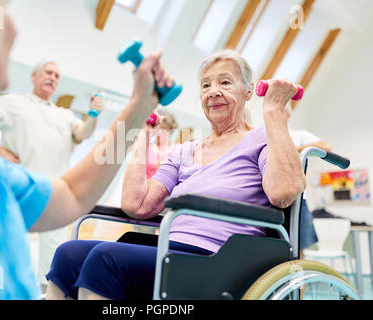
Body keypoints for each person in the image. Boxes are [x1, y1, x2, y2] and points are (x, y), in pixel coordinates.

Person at [0, 0, 175, 299]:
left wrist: (140, 106)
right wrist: (0, 150)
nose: (15, 31)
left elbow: (71, 193)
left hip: (48, 181)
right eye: (4, 13)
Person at [45, 49, 307, 300]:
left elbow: (284, 193)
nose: (213, 92)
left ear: (249, 91)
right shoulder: (185, 151)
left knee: (106, 259)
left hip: (220, 259)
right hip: (171, 250)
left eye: (225, 82)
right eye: (205, 85)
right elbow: (137, 204)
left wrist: (273, 113)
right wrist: (142, 140)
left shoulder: (260, 139)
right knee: (68, 254)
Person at [0, 60, 105, 292]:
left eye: (57, 75)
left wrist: (93, 114)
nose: (53, 77)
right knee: (12, 253)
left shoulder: (64, 114)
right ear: (34, 76)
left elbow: (82, 133)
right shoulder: (12, 103)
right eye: (48, 72)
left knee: (54, 261)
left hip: (56, 194)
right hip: (19, 189)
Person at [285, 103, 331, 254]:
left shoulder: (299, 135)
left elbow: (325, 147)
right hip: (272, 198)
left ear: (287, 115)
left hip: (298, 199)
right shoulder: (264, 135)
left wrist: (293, 150)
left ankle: (299, 275)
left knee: (299, 247)